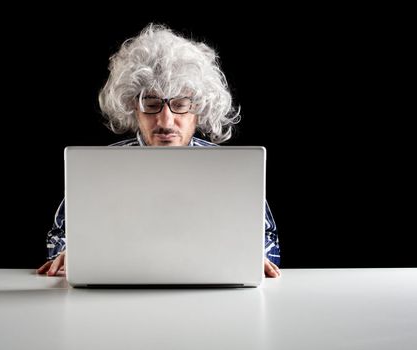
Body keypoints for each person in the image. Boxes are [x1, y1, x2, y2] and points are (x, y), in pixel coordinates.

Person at [37, 24, 281, 278]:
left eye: (180, 105)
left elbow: (268, 237)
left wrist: (255, 255)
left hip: (213, 297)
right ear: (133, 108)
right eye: (151, 104)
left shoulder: (230, 169)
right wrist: (66, 254)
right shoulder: (101, 166)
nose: (165, 122)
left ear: (199, 108)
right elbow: (59, 234)